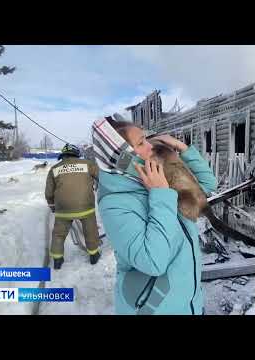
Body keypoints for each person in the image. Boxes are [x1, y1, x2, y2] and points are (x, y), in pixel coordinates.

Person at [92, 117, 217, 315]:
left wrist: (181, 147)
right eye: (141, 142)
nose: (151, 146)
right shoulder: (115, 204)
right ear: (124, 157)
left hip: (189, 302)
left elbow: (208, 185)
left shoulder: (154, 178)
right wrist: (160, 195)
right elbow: (153, 261)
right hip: (155, 308)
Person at [45, 143, 101, 269]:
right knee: (90, 230)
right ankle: (93, 255)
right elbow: (101, 177)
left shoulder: (54, 169)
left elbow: (49, 192)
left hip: (63, 209)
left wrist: (53, 206)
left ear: (63, 155)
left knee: (58, 234)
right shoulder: (87, 164)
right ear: (77, 154)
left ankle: (57, 260)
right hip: (85, 207)